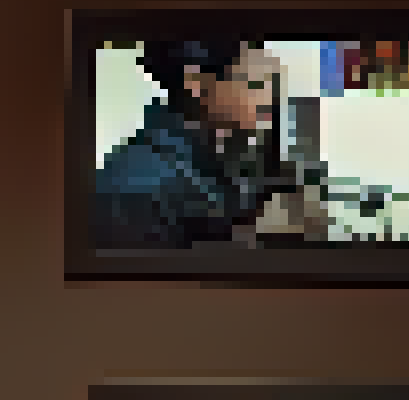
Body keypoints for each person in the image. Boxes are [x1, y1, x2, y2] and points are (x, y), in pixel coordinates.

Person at [93, 40, 296, 249]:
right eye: (256, 84)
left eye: (273, 84)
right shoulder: (142, 191)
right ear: (197, 83)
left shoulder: (209, 156)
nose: (269, 98)